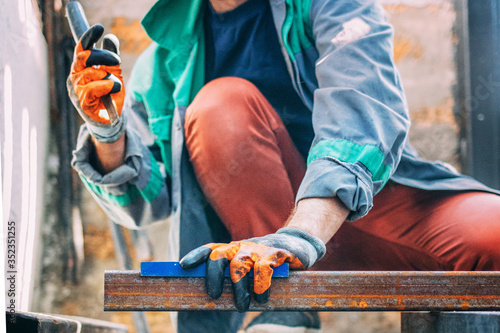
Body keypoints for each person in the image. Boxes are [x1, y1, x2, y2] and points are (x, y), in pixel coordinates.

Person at [68, 0, 500, 331]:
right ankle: (283, 310)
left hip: (367, 209)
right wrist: (109, 134)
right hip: (260, 254)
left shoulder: (332, 6)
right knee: (221, 106)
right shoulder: (164, 63)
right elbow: (149, 201)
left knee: (493, 236)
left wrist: (298, 236)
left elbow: (364, 120)